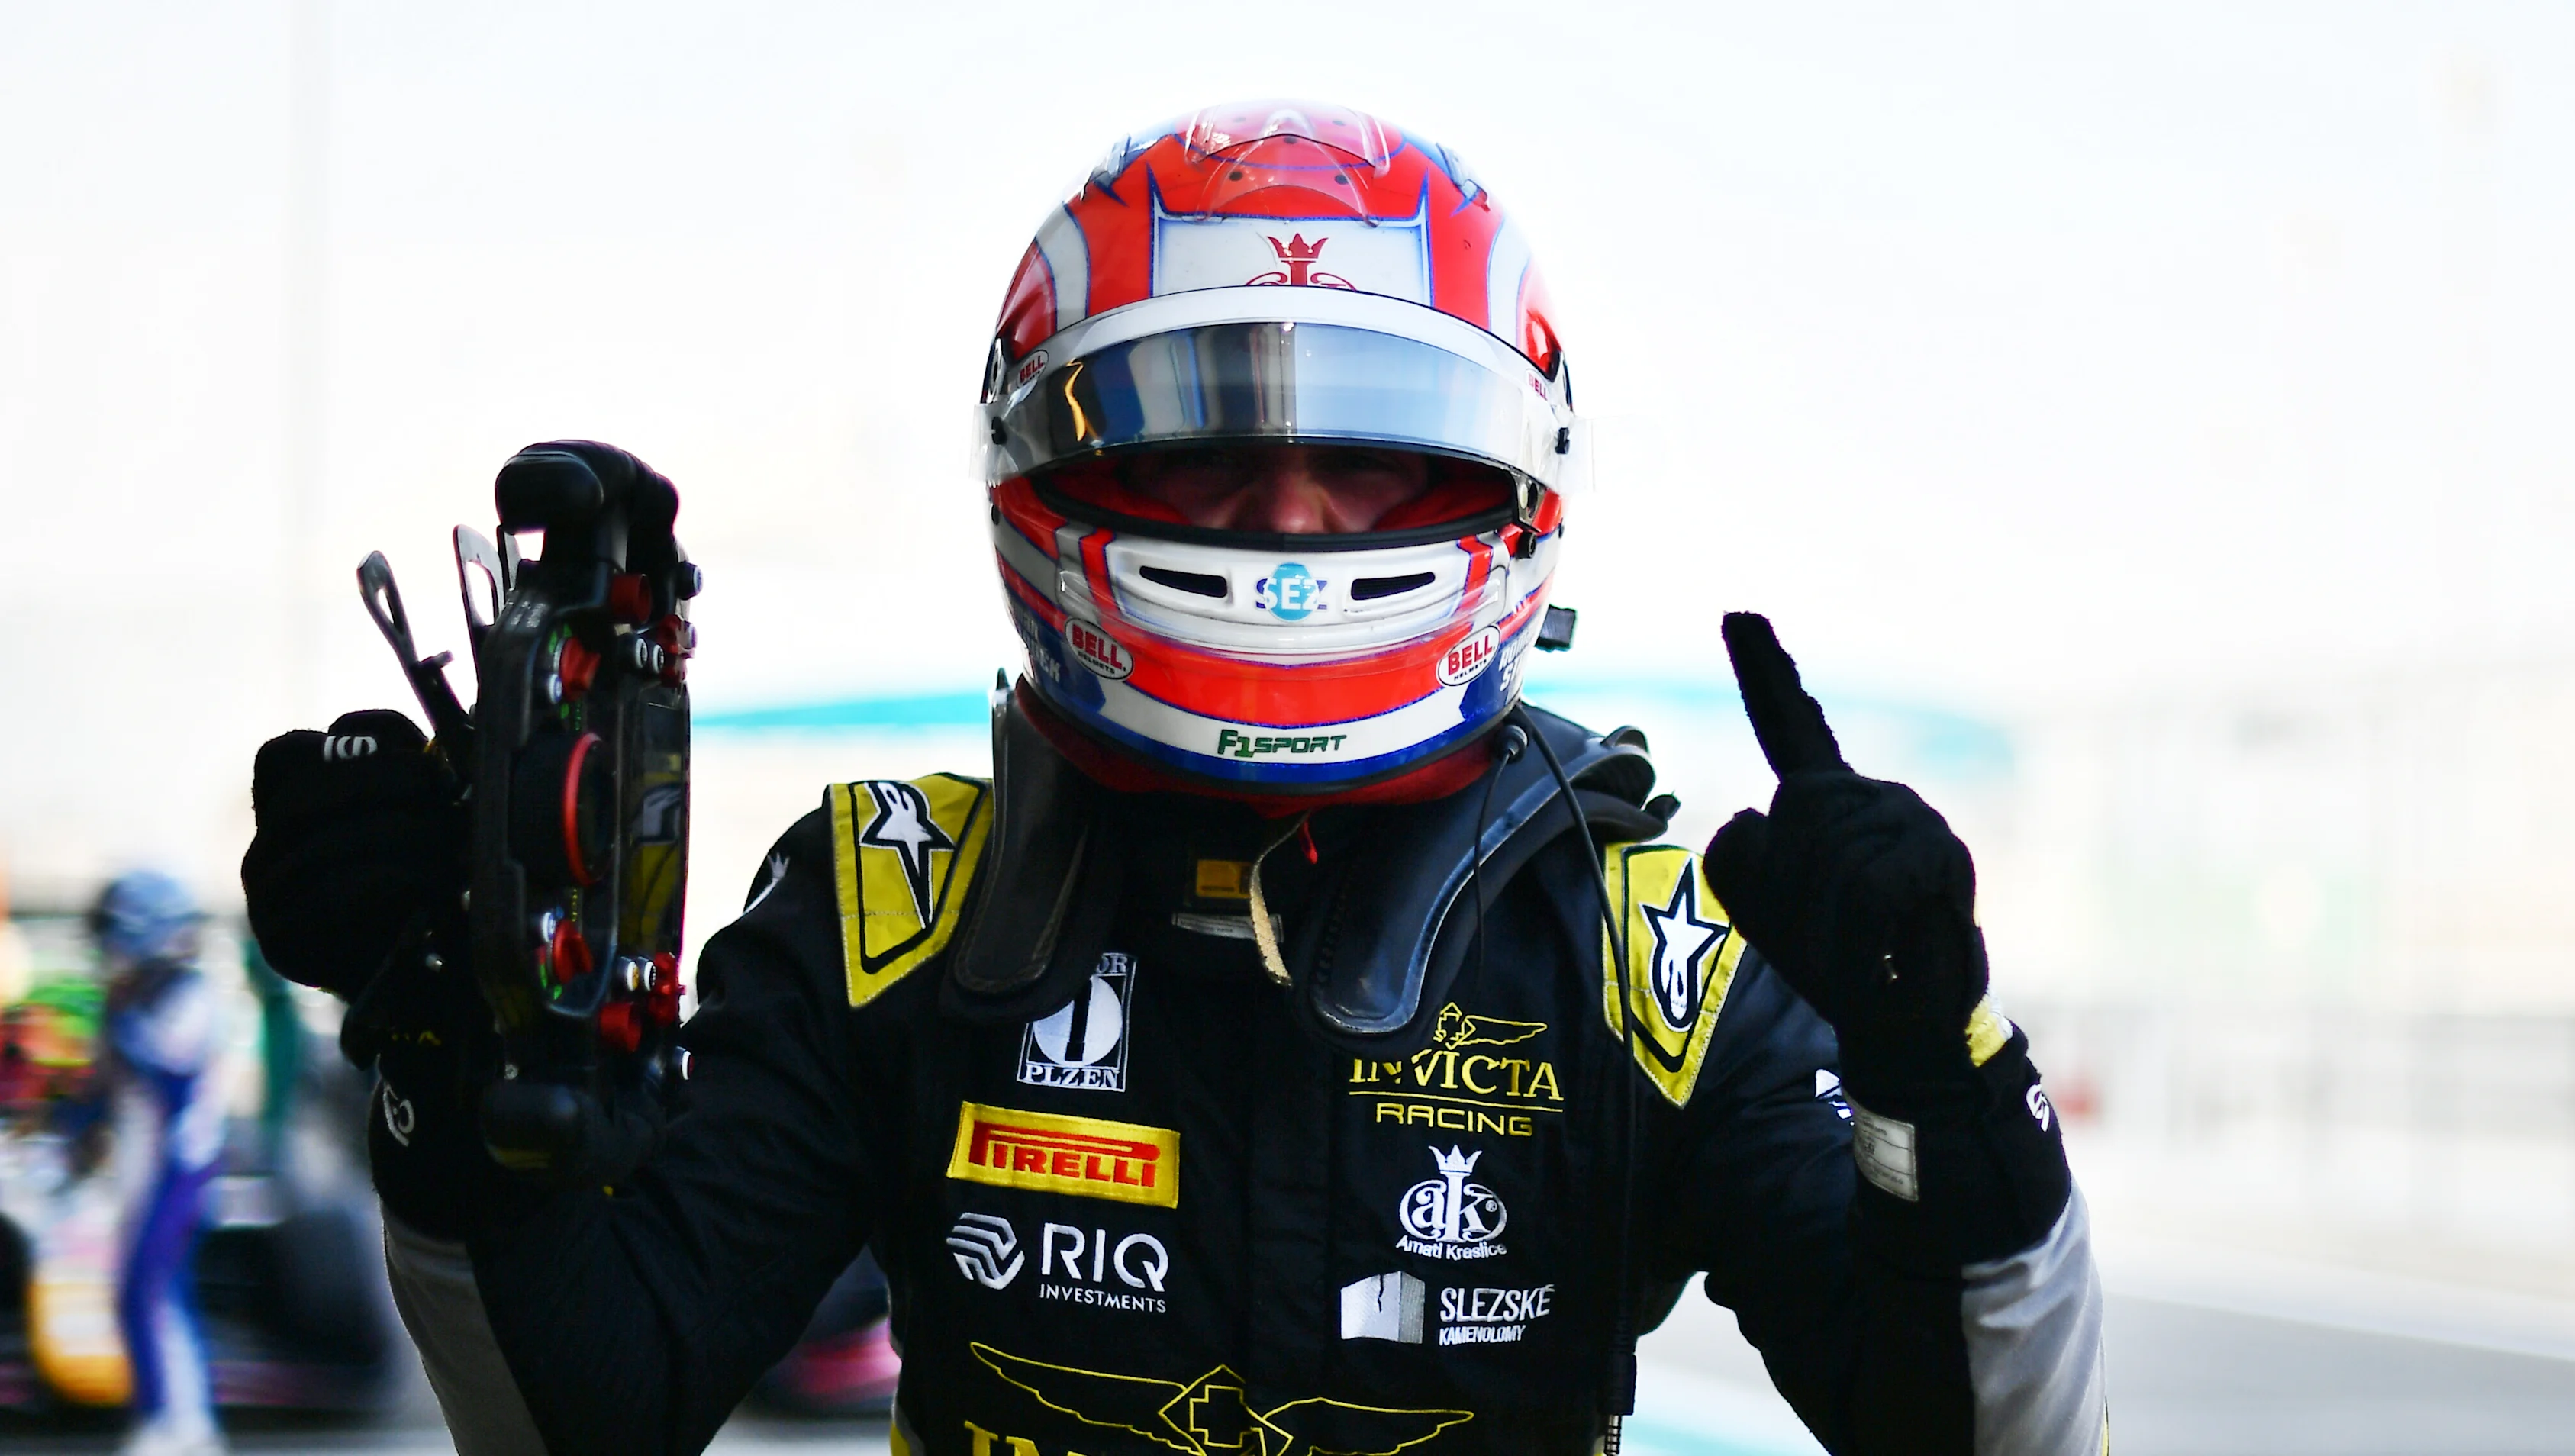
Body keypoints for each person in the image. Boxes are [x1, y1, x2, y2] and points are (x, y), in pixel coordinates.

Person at [241, 101, 2106, 1455]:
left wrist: (1938, 1076)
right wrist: (453, 1066)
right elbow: (588, 1407)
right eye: (1209, 451)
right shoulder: (894, 906)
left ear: (1507, 486)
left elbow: (1987, 1444)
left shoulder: (1643, 952)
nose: (1290, 532)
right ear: (1051, 467)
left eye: (1366, 464)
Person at [91, 870, 228, 1456]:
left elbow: (169, 1079)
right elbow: (104, 1092)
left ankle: (175, 1424)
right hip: (142, 1164)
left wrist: (121, 1023)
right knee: (149, 1290)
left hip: (179, 1165)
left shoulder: (190, 995)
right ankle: (175, 1419)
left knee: (149, 1290)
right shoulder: (136, 996)